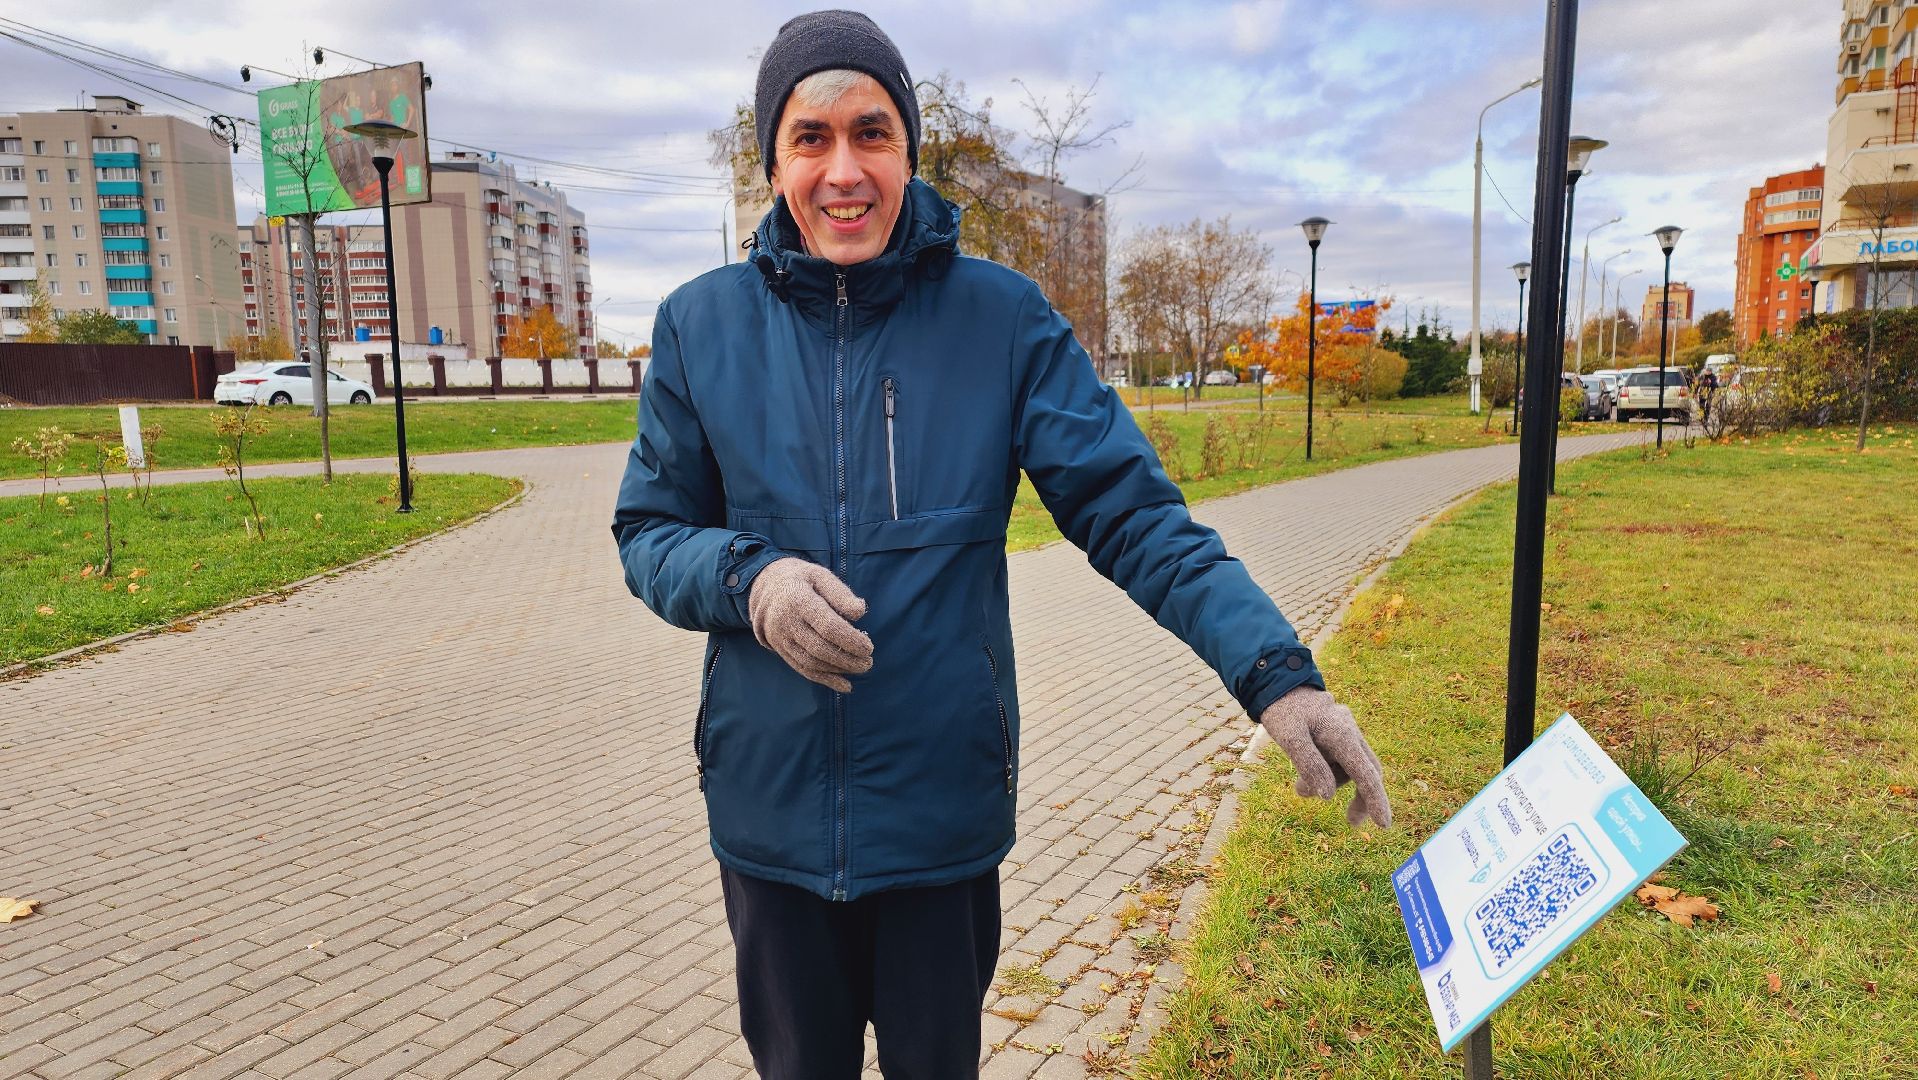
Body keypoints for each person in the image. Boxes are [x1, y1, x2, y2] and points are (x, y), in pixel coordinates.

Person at [611, 11, 1391, 1076]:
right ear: (774, 158)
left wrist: (1275, 675)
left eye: (873, 133)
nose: (845, 171)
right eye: (812, 138)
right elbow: (650, 534)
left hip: (939, 814)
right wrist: (747, 580)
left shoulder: (1002, 320)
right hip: (772, 814)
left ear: (908, 150)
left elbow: (1135, 515)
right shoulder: (699, 326)